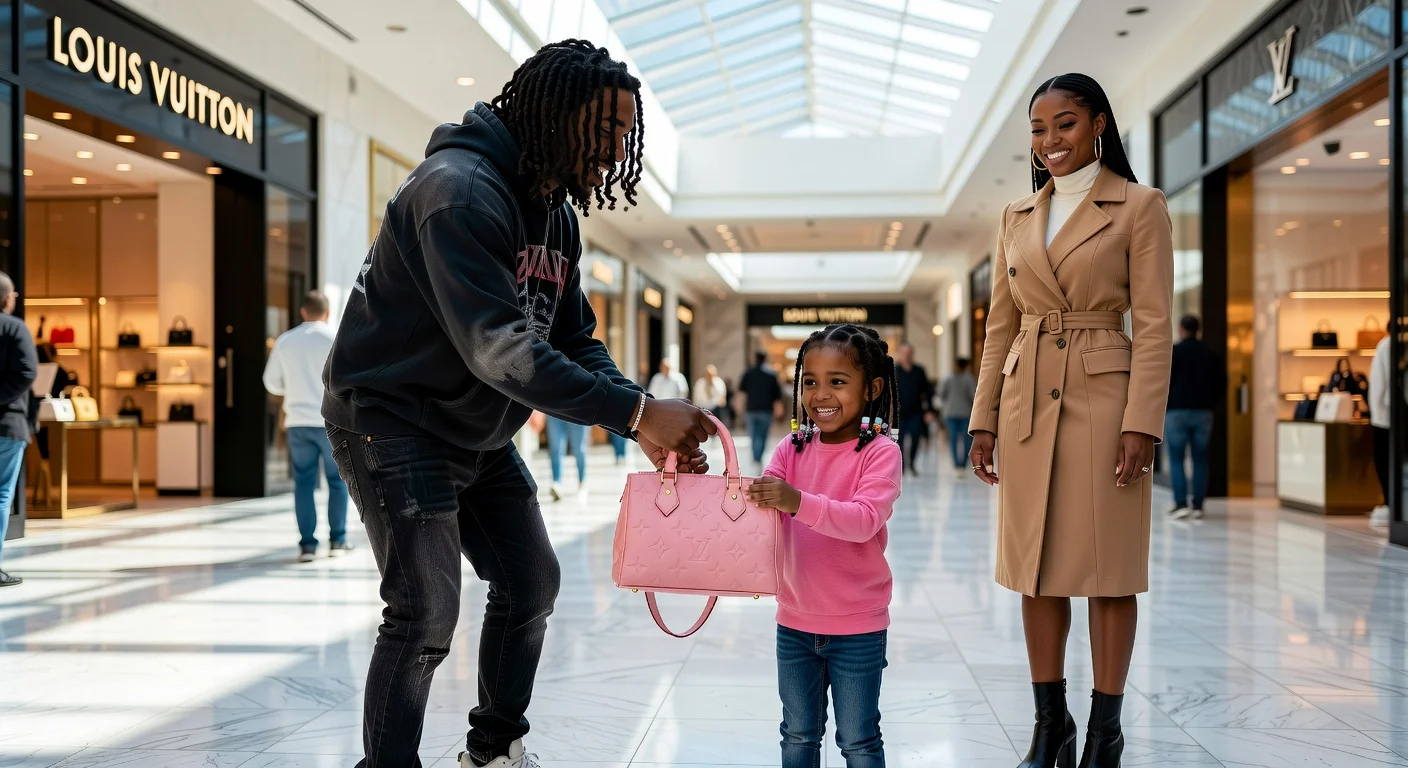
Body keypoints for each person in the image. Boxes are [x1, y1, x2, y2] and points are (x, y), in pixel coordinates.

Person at [322, 40, 716, 768]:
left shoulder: (554, 214)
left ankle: (493, 750)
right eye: (604, 134)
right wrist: (632, 415)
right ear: (557, 117)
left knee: (531, 579)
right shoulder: (458, 192)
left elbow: (573, 337)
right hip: (393, 421)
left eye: (624, 138)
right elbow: (498, 349)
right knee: (424, 612)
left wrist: (637, 415)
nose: (613, 152)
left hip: (476, 428)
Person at [968, 73, 1173, 768]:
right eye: (1037, 128)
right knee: (1036, 569)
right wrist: (982, 416)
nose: (1049, 141)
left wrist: (1142, 419)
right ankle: (1048, 725)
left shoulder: (1140, 206)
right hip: (1028, 398)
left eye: (1063, 124)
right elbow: (1000, 327)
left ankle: (1104, 734)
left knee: (1110, 570)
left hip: (1103, 397)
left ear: (1098, 126)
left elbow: (1153, 325)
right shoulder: (1016, 217)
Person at [746, 323, 902, 768]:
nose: (820, 394)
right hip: (793, 623)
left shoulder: (880, 453)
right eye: (810, 381)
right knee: (797, 736)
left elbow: (864, 520)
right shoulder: (790, 448)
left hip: (858, 627)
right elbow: (762, 509)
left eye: (837, 381)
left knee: (858, 740)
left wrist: (796, 501)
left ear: (871, 388)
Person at [263, 290, 350, 563]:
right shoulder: (336, 337)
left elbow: (271, 382)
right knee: (337, 482)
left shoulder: (285, 341)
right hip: (331, 422)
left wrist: (292, 388)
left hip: (297, 422)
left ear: (303, 312)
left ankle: (307, 546)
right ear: (327, 313)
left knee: (303, 483)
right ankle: (337, 540)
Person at [1164, 315, 1224, 521]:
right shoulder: (1210, 354)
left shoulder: (1173, 353)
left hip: (1176, 412)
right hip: (1203, 412)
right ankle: (1198, 505)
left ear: (1180, 329)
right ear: (1198, 330)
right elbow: (1221, 384)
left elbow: (1164, 381)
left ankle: (1181, 503)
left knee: (1176, 458)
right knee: (1200, 458)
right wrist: (1210, 403)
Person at [0, 272, 37, 588]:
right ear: (6, 298)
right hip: (7, 425)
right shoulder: (13, 328)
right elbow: (27, 371)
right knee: (0, 495)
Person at [739, 350, 784, 473]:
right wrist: (779, 411)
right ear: (765, 359)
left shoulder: (748, 374)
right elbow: (777, 397)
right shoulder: (771, 375)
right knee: (763, 436)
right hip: (766, 410)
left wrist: (739, 409)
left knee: (753, 436)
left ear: (755, 358)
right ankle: (758, 459)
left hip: (751, 409)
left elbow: (742, 394)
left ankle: (756, 459)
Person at [893, 342, 934, 474]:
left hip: (916, 412)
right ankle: (902, 465)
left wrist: (929, 410)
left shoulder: (919, 371)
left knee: (916, 438)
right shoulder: (894, 371)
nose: (906, 356)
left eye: (909, 353)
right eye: (904, 353)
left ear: (912, 354)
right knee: (899, 440)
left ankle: (912, 463)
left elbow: (927, 392)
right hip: (899, 413)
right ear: (899, 354)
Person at [937, 359, 978, 472]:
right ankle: (962, 464)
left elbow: (941, 393)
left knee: (954, 439)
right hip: (965, 413)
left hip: (951, 413)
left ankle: (957, 465)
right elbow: (973, 396)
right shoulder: (969, 379)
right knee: (966, 439)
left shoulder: (948, 378)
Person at [1370, 331, 1391, 528]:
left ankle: (1389, 501)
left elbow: (1378, 386)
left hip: (1384, 417)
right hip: (1391, 415)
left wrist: (1376, 413)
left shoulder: (1386, 346)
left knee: (1383, 459)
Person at [544, 416, 590, 502]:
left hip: (578, 409)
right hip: (554, 409)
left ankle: (582, 483)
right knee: (556, 448)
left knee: (579, 449)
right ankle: (557, 483)